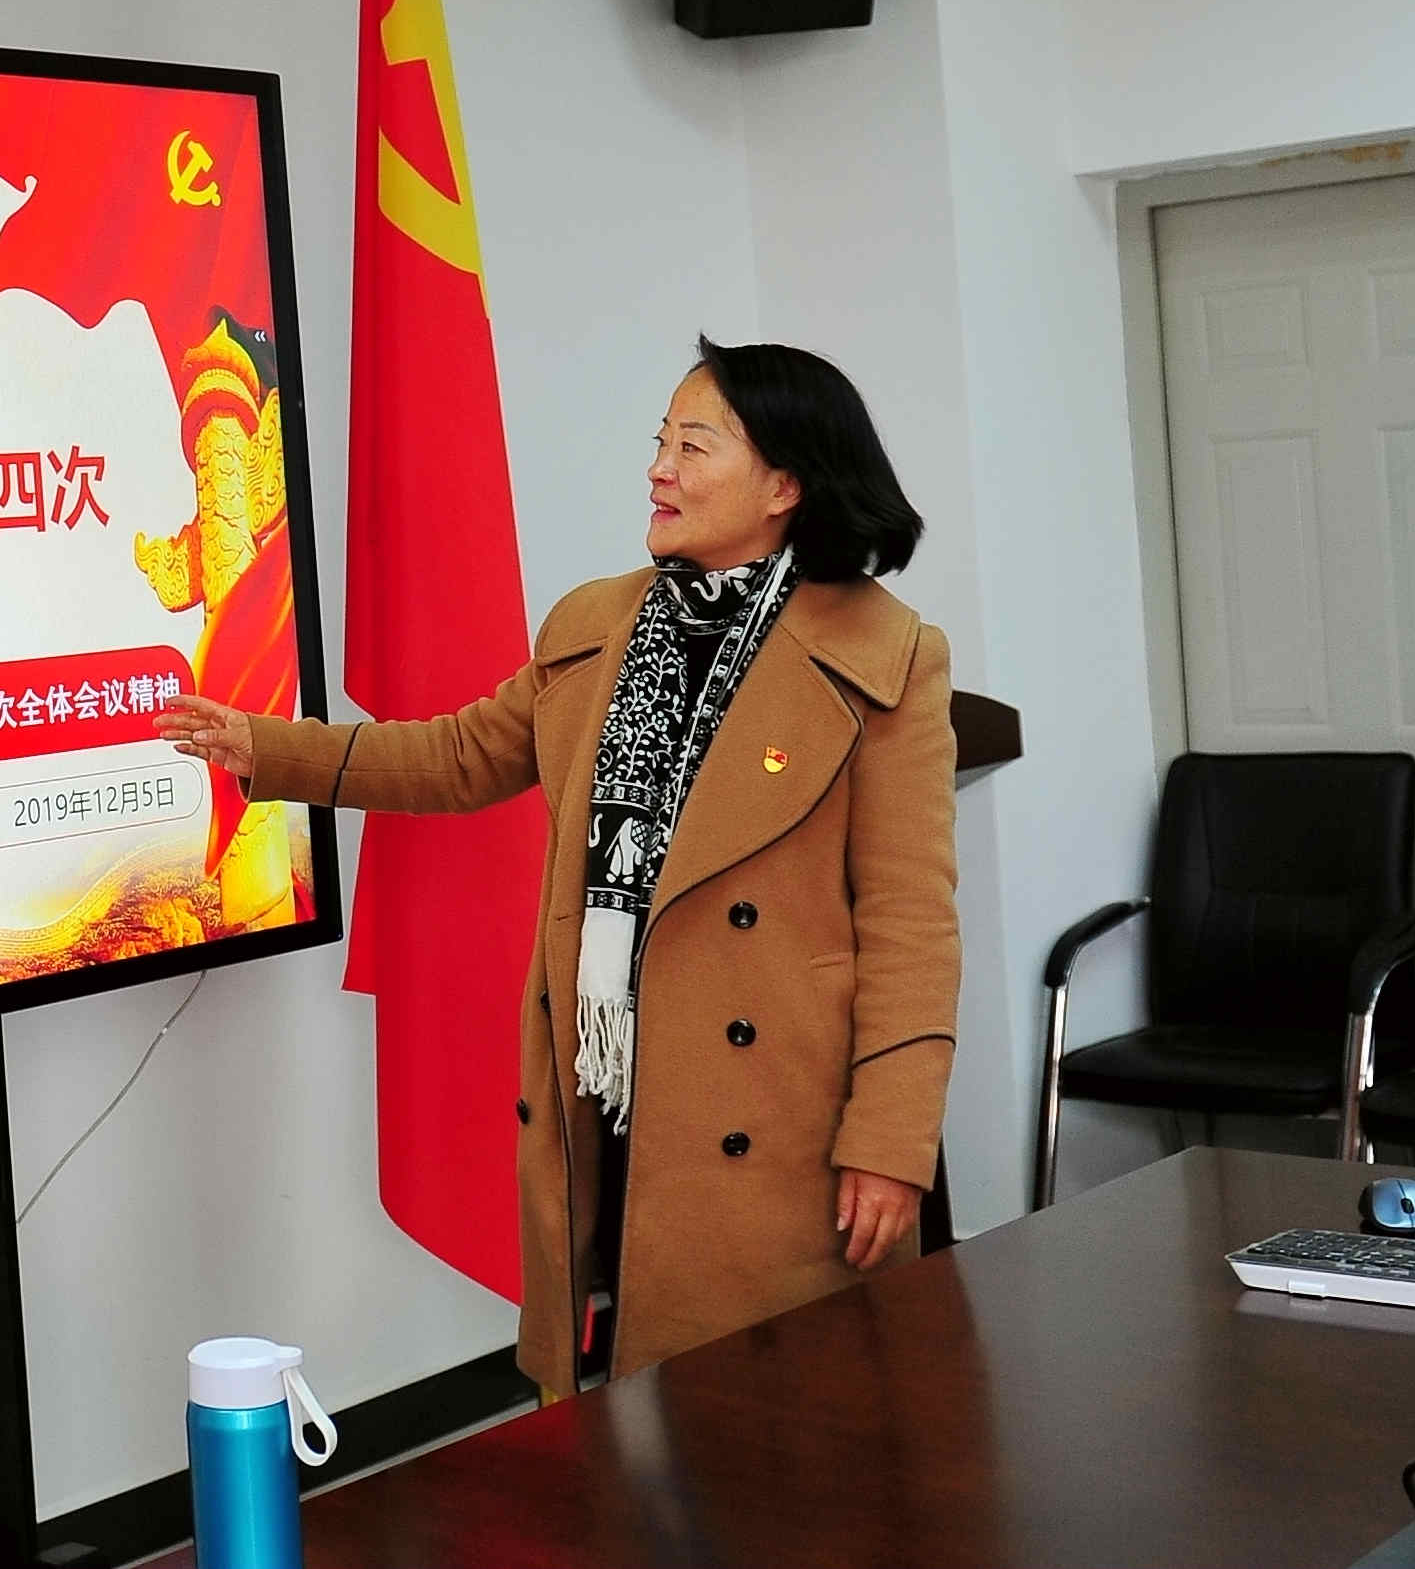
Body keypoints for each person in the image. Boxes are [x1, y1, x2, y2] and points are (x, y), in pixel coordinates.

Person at [157, 338, 960, 1391]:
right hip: (606, 1089)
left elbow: (910, 924)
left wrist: (890, 1140)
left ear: (784, 484)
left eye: (692, 446)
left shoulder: (882, 656)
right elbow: (455, 757)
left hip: (777, 1118)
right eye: (659, 441)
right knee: (622, 1407)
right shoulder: (597, 625)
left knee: (779, 1421)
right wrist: (266, 748)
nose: (657, 468)